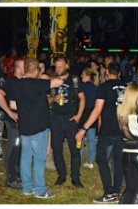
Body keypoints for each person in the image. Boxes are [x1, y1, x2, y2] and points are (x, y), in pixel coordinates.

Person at [12, 58, 64, 200]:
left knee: (25, 158)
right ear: (36, 71)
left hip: (24, 127)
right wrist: (44, 77)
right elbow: (59, 81)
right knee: (39, 160)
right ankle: (40, 190)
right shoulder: (38, 83)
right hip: (39, 128)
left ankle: (27, 188)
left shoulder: (18, 84)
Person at [77, 62, 128, 203]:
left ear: (106, 73)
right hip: (123, 130)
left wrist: (84, 128)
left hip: (108, 130)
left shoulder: (103, 87)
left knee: (102, 160)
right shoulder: (127, 87)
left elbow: (97, 110)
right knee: (118, 162)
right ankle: (117, 191)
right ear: (119, 73)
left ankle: (109, 192)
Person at [49, 55, 86, 188]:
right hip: (56, 119)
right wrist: (53, 98)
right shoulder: (51, 80)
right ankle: (61, 175)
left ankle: (75, 177)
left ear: (67, 66)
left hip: (71, 120)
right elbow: (45, 100)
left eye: (60, 66)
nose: (58, 69)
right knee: (56, 149)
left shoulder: (75, 79)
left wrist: (79, 115)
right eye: (56, 66)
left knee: (75, 150)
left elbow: (82, 98)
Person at [0, 58, 25, 189]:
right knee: (13, 147)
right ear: (18, 68)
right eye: (25, 66)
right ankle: (11, 178)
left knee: (20, 148)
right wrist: (9, 112)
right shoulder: (11, 81)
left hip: (22, 120)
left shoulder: (23, 82)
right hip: (13, 121)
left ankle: (18, 175)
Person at [80, 68, 99, 169]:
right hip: (92, 114)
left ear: (87, 75)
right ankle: (91, 161)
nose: (81, 76)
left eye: (82, 74)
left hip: (83, 114)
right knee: (92, 140)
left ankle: (78, 160)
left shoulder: (81, 87)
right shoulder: (96, 87)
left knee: (80, 138)